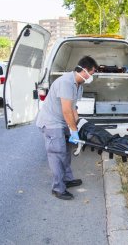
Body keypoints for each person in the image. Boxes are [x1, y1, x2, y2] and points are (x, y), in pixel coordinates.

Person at [36, 56, 98, 200]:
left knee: (66, 151)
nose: (92, 77)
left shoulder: (79, 85)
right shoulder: (66, 82)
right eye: (92, 73)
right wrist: (74, 131)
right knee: (57, 154)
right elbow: (66, 110)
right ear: (84, 71)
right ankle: (58, 188)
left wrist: (79, 124)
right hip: (52, 122)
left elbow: (73, 108)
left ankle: (67, 179)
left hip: (62, 121)